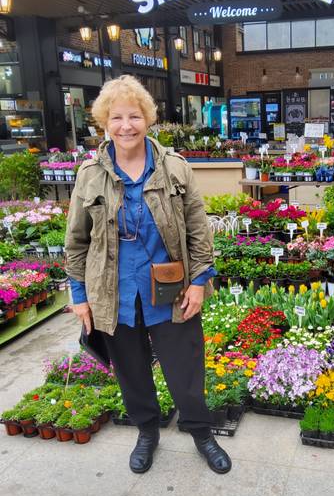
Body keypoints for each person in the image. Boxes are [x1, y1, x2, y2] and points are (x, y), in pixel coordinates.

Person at [65, 75, 231, 475]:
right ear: (105, 122)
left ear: (148, 119)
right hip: (114, 292)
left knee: (185, 367)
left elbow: (198, 228)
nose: (126, 125)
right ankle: (146, 431)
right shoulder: (90, 174)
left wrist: (198, 282)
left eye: (134, 116)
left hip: (171, 290)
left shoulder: (174, 168)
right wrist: (79, 295)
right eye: (117, 117)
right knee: (131, 370)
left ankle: (200, 432)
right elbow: (76, 240)